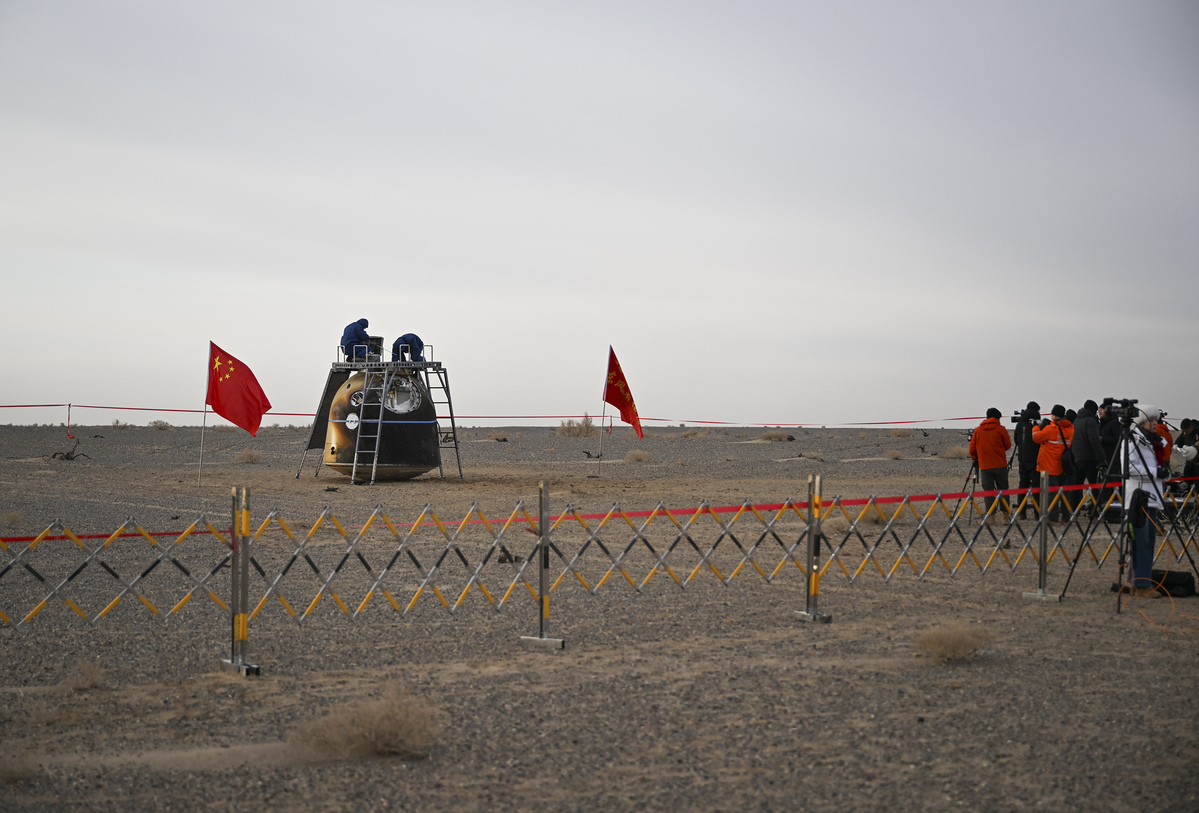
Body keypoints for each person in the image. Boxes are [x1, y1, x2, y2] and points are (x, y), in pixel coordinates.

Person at [1118, 405, 1168, 597]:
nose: (1155, 423)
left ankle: (1138, 582)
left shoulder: (1155, 442)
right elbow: (1129, 468)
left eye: (1156, 419)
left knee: (1148, 542)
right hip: (1138, 498)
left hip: (1152, 497)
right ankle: (1140, 585)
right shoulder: (1131, 440)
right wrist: (1156, 472)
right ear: (1141, 422)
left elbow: (1153, 467)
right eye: (1150, 420)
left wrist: (1163, 473)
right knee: (1141, 542)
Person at [1032, 404, 1074, 521]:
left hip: (1050, 466)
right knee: (1065, 493)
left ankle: (1052, 518)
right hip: (1065, 465)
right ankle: (1066, 517)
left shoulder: (1051, 429)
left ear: (1054, 416)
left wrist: (1036, 427)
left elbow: (1036, 438)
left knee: (1051, 494)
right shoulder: (1071, 429)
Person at [969, 408, 1012, 522]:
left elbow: (972, 449)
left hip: (985, 466)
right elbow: (1008, 445)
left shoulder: (978, 430)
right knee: (1003, 490)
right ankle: (1005, 516)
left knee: (988, 491)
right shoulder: (1001, 429)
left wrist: (975, 459)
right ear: (997, 418)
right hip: (1000, 464)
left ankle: (991, 516)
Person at [1070, 399, 1105, 515]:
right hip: (1090, 459)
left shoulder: (1077, 420)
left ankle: (1073, 511)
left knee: (1076, 488)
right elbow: (1094, 441)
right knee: (1095, 487)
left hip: (1078, 458)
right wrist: (1102, 458)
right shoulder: (1091, 421)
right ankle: (1095, 512)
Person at [1013, 401, 1042, 519]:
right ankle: (1037, 513)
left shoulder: (1020, 423)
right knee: (1036, 486)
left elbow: (1016, 440)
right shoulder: (1036, 423)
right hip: (1035, 458)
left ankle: (1022, 513)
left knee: (1023, 485)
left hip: (1022, 458)